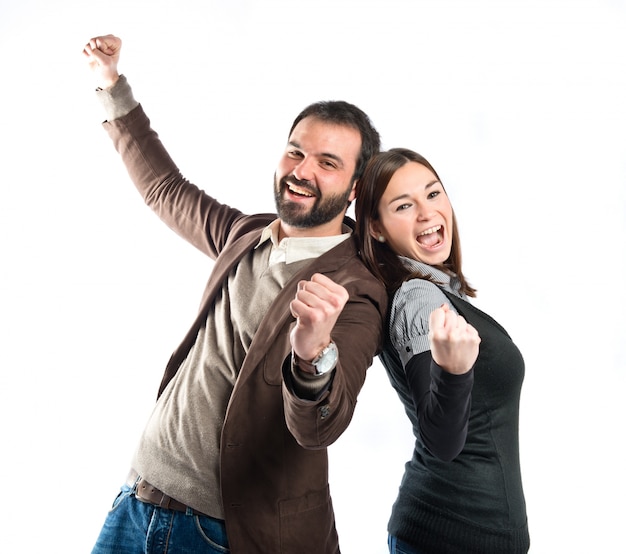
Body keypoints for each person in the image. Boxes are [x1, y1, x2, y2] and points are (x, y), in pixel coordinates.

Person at [82, 34, 387, 554]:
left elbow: (321, 424)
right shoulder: (249, 234)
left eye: (328, 163)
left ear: (354, 188)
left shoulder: (355, 290)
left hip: (221, 534)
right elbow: (165, 190)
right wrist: (111, 84)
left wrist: (312, 355)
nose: (302, 171)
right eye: (296, 151)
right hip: (137, 500)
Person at [355, 148, 530, 553]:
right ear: (377, 229)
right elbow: (442, 441)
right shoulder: (418, 297)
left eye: (433, 194)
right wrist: (453, 372)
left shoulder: (439, 291)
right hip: (445, 537)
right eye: (403, 205)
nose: (426, 212)